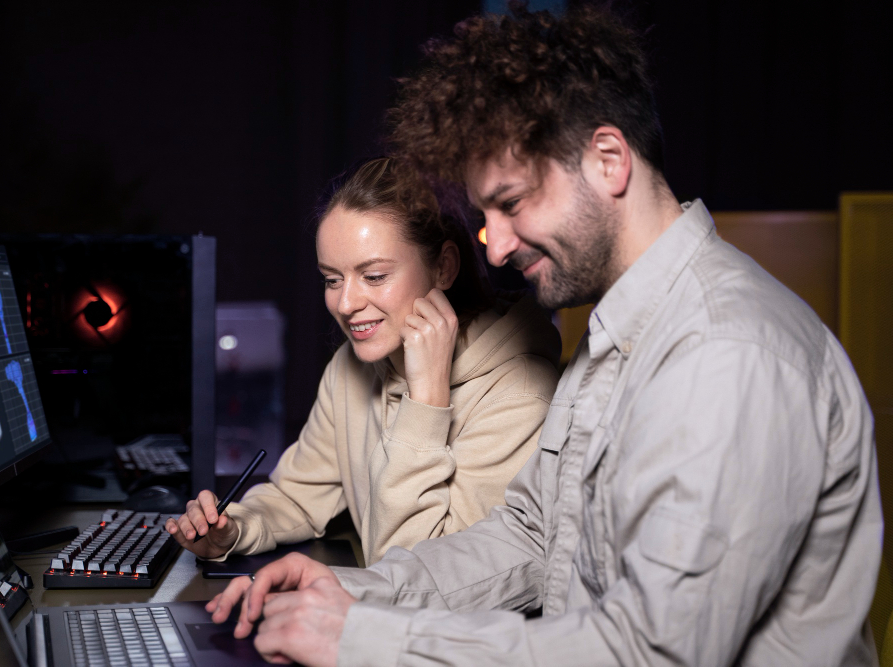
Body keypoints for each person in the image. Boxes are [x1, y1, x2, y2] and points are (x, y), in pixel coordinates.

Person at [204, 5, 883, 666]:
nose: (495, 248)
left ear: (608, 160)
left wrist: (364, 641)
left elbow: (652, 651)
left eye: (512, 203)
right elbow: (530, 536)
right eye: (485, 215)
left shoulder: (727, 354)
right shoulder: (615, 337)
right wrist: (356, 591)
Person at [166, 156, 561, 566]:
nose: (346, 304)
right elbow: (298, 497)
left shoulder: (519, 396)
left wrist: (426, 401)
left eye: (374, 276)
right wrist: (234, 529)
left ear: (443, 268)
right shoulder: (349, 368)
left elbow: (416, 574)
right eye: (332, 279)